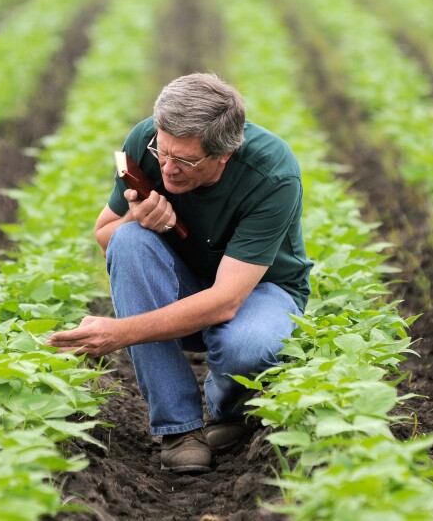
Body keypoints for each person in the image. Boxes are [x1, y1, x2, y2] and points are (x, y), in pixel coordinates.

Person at [48, 73, 312, 475]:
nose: (168, 169)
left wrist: (119, 333)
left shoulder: (272, 174)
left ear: (223, 155)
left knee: (247, 345)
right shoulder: (145, 142)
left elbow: (226, 300)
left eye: (186, 160)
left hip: (259, 291)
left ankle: (231, 412)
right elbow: (104, 235)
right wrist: (136, 217)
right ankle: (178, 429)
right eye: (163, 152)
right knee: (129, 240)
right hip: (181, 283)